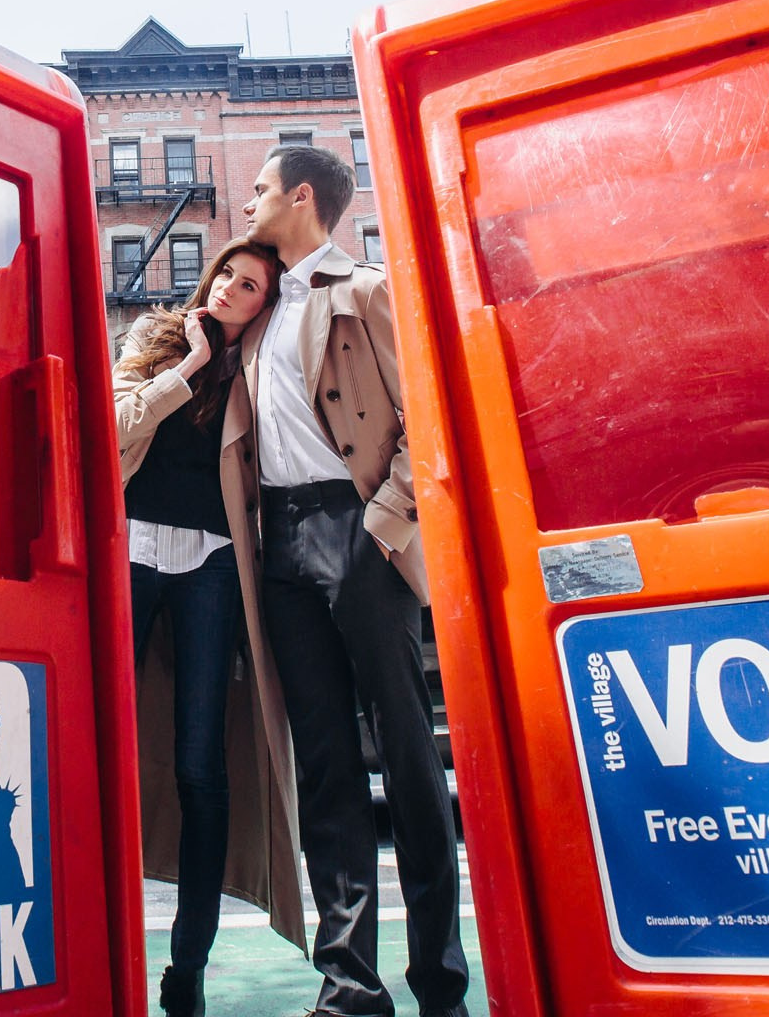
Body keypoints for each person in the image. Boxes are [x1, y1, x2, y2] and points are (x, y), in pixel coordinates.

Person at [238, 144, 467, 1017]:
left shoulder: (365, 289)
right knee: (327, 769)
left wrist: (381, 526)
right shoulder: (257, 310)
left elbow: (428, 416)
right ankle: (349, 989)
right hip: (282, 548)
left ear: (301, 198)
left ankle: (441, 985)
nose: (251, 202)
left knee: (407, 758)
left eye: (261, 190)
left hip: (359, 528)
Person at [115, 237, 306, 1015]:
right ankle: (102, 940)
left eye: (252, 285)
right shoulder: (155, 337)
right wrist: (187, 367)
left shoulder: (261, 372)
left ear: (267, 304)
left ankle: (187, 967)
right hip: (127, 552)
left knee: (202, 768)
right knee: (101, 751)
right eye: (227, 272)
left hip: (216, 567)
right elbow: (117, 425)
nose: (232, 287)